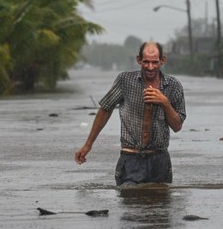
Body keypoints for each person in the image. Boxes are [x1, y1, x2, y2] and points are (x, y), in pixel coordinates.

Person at [75, 41, 186, 186]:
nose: (150, 67)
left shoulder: (173, 86)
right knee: (129, 201)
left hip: (159, 159)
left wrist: (164, 102)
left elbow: (177, 126)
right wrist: (88, 145)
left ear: (162, 61)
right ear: (138, 60)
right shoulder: (125, 81)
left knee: (159, 205)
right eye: (146, 62)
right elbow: (105, 109)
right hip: (130, 157)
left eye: (154, 62)